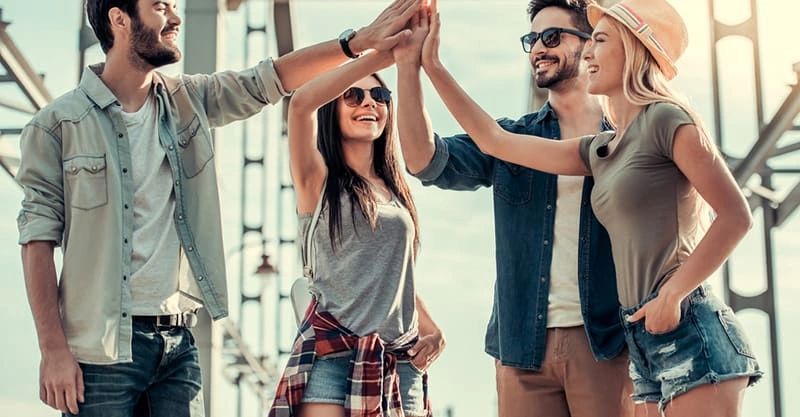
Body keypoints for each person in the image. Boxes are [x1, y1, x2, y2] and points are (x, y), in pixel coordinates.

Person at [15, 0, 424, 415]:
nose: (175, 17)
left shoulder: (189, 100)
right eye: (161, 7)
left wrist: (358, 44)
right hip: (99, 353)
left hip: (178, 344)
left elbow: (271, 79)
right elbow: (37, 241)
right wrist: (53, 349)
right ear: (119, 19)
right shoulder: (56, 126)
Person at [415, 0, 763, 415]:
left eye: (600, 41)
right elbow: (495, 141)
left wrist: (672, 294)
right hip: (642, 339)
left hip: (688, 330)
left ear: (633, 49)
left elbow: (736, 216)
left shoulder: (667, 119)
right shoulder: (602, 149)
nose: (590, 55)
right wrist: (431, 67)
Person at [394, 1, 631, 416]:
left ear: (589, 44)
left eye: (552, 37)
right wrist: (409, 67)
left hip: (605, 342)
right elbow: (422, 160)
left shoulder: (628, 140)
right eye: (532, 39)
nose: (539, 48)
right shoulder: (509, 139)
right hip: (521, 345)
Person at [267, 18, 444, 417]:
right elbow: (299, 105)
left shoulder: (397, 192)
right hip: (333, 358)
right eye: (353, 96)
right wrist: (384, 54)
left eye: (379, 95)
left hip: (401, 366)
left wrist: (432, 328)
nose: (369, 103)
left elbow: (391, 274)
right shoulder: (317, 181)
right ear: (333, 110)